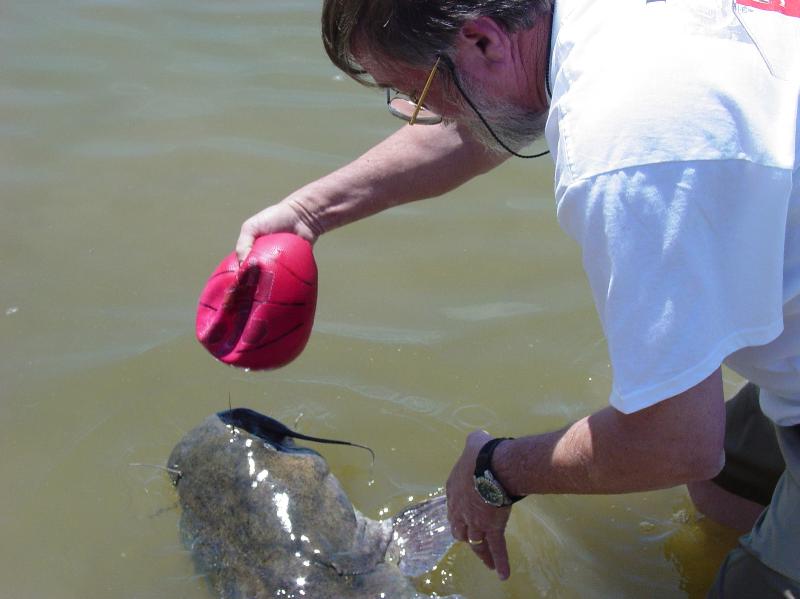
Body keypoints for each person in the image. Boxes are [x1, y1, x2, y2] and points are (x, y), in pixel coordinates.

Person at [234, 0, 800, 595]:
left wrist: (495, 472)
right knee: (725, 487)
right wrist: (308, 213)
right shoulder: (586, 25)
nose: (424, 115)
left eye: (417, 94)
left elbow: (675, 443)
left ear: (482, 41)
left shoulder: (628, 156)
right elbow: (483, 124)